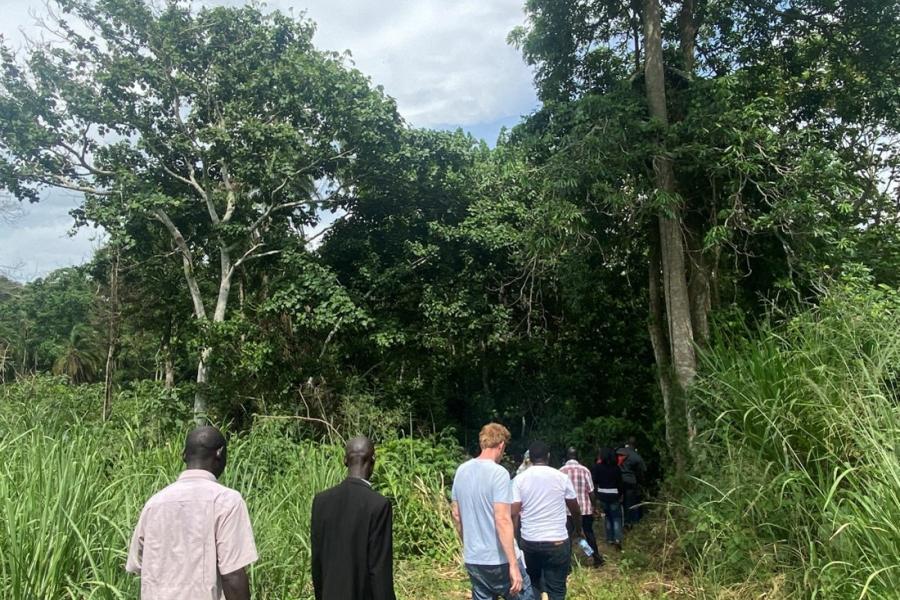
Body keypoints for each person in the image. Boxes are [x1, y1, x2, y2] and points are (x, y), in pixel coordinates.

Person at [126, 426, 258, 600]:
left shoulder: (154, 504)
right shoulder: (226, 501)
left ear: (183, 455)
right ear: (220, 453)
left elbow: (138, 563)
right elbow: (232, 575)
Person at [451, 423, 534, 600]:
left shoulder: (461, 471)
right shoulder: (499, 474)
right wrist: (513, 564)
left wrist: (469, 544)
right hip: (499, 560)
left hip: (473, 558)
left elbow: (456, 515)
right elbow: (502, 519)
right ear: (501, 445)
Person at [311, 436, 395, 600]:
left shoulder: (321, 501)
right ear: (373, 462)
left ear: (345, 461)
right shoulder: (378, 505)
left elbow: (317, 562)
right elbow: (379, 572)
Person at [512, 441, 580, 600]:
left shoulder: (519, 479)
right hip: (557, 541)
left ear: (530, 458)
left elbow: (513, 513)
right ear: (548, 456)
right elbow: (575, 508)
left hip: (530, 542)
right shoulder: (561, 477)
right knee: (556, 588)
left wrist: (515, 538)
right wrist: (578, 528)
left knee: (533, 583)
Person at [559, 447, 602, 566]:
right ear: (577, 457)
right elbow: (591, 492)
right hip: (585, 509)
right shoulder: (585, 470)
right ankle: (597, 559)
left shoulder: (561, 471)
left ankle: (566, 564)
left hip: (567, 511)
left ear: (567, 457)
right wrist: (594, 507)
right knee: (589, 533)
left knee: (566, 537)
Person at [591, 447, 624, 550]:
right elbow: (620, 483)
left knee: (607, 517)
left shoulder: (598, 467)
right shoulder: (616, 468)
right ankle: (617, 539)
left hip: (602, 494)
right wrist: (621, 494)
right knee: (616, 518)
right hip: (614, 494)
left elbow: (594, 481)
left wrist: (597, 494)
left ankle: (609, 539)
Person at [617, 436, 647, 526]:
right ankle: (629, 522)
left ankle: (619, 522)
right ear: (635, 445)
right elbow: (643, 471)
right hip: (630, 482)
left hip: (616, 482)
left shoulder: (618, 452)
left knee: (617, 504)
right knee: (630, 503)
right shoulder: (636, 456)